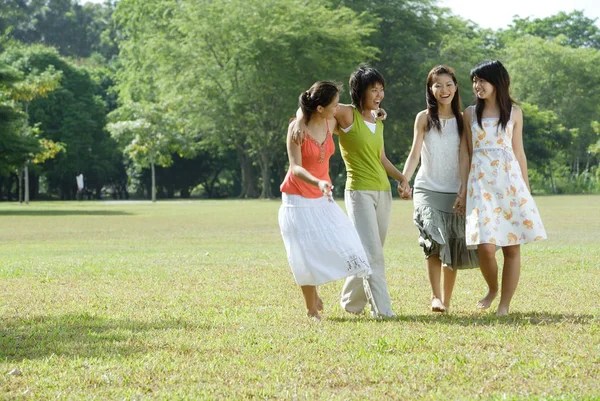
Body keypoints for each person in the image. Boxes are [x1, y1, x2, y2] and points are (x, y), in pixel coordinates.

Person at [296, 66, 410, 317]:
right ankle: (383, 311)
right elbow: (316, 103)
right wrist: (299, 119)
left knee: (370, 251)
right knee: (372, 254)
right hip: (359, 192)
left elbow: (382, 158)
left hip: (382, 191)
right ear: (360, 91)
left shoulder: (377, 121)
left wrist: (402, 179)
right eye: (373, 89)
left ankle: (350, 302)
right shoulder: (347, 115)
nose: (379, 94)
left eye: (381, 89)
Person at [458, 60, 547, 316]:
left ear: (497, 82)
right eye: (474, 81)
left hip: (510, 184)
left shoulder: (514, 113)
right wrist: (464, 187)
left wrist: (526, 192)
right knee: (485, 247)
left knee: (511, 246)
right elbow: (466, 153)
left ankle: (504, 305)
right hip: (481, 185)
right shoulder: (469, 113)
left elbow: (519, 153)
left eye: (482, 80)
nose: (477, 85)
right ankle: (492, 288)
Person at [279, 81, 372, 320]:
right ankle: (311, 307)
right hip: (297, 197)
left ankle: (314, 292)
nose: (337, 107)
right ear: (320, 108)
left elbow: (357, 120)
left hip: (322, 197)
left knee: (344, 240)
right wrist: (317, 181)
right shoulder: (296, 130)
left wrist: (377, 113)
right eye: (333, 104)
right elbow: (295, 168)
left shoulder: (331, 122)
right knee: (304, 253)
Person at [401, 65, 479, 313]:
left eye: (448, 84)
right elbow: (415, 154)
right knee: (433, 241)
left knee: (453, 246)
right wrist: (405, 179)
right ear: (430, 90)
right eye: (437, 85)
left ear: (456, 87)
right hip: (427, 188)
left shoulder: (463, 119)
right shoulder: (423, 118)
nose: (443, 90)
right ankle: (435, 296)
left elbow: (466, 155)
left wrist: (464, 189)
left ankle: (446, 300)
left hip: (454, 191)